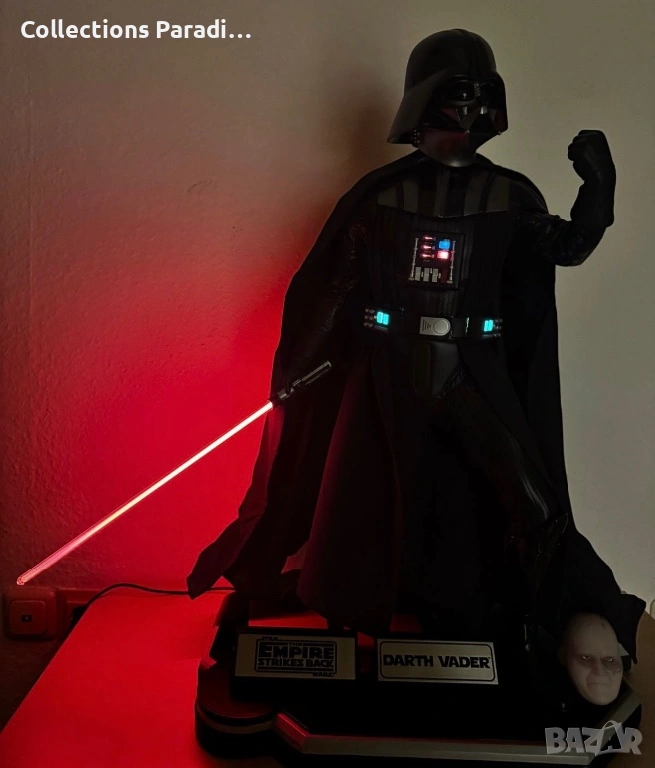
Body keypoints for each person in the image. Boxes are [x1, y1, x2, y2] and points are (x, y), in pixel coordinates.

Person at [188, 30, 644, 678]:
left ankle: (530, 621)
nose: (469, 112)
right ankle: (336, 616)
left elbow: (566, 247)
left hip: (470, 371)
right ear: (424, 104)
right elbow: (334, 288)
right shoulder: (380, 197)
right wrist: (300, 368)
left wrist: (598, 191)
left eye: (481, 97)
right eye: (457, 97)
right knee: (357, 499)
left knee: (532, 502)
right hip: (387, 369)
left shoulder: (509, 197)